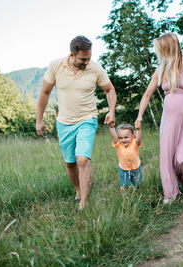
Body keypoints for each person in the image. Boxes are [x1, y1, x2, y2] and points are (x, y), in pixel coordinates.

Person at [36, 35, 117, 210]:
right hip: (64, 122)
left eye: (89, 58)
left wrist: (111, 111)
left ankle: (84, 203)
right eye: (83, 58)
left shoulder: (95, 68)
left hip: (87, 119)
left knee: (82, 159)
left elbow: (110, 90)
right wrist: (39, 120)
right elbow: (44, 93)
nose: (87, 62)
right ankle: (80, 191)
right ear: (72, 55)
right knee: (70, 163)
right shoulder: (56, 66)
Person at [135, 33, 183, 203]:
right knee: (168, 155)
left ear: (168, 48)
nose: (159, 53)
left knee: (182, 156)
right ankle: (170, 193)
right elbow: (147, 94)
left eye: (160, 49)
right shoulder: (161, 70)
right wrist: (139, 116)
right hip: (169, 118)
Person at [109, 124, 143, 190]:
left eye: (126, 137)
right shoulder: (119, 144)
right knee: (124, 186)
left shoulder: (134, 144)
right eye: (120, 138)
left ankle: (137, 193)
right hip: (123, 169)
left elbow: (138, 140)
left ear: (132, 136)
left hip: (136, 168)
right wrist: (111, 127)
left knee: (138, 184)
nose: (123, 140)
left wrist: (139, 129)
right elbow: (114, 137)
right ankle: (124, 198)